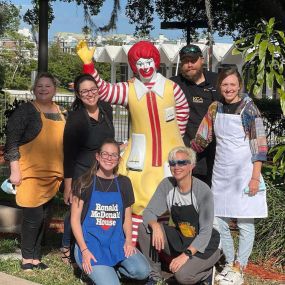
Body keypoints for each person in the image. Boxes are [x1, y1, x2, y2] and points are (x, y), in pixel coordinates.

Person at [76, 40, 189, 242]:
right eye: (139, 63)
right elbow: (103, 90)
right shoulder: (129, 89)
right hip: (140, 157)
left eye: (148, 61)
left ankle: (163, 247)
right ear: (134, 67)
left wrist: (176, 143)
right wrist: (88, 65)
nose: (145, 67)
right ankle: (134, 247)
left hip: (168, 158)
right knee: (137, 200)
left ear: (155, 61)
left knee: (171, 200)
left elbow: (182, 113)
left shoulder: (173, 88)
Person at [191, 68, 268, 285]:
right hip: (221, 174)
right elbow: (202, 139)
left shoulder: (250, 109)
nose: (228, 88)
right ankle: (228, 264)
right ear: (219, 87)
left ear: (239, 86)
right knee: (218, 220)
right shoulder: (215, 108)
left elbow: (259, 147)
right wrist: (184, 153)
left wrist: (255, 178)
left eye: (232, 84)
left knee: (244, 223)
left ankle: (239, 268)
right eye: (224, 85)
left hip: (244, 173)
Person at [4, 72, 66, 271]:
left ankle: (37, 259)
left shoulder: (61, 111)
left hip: (53, 175)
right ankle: (26, 260)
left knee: (44, 218)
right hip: (29, 173)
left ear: (54, 89)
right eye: (39, 86)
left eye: (48, 86)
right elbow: (12, 142)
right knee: (33, 219)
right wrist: (15, 170)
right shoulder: (25, 111)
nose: (43, 89)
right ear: (34, 89)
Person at [70, 139, 150, 285]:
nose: (109, 158)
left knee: (142, 271)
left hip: (116, 243)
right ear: (97, 156)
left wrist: (128, 241)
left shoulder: (124, 183)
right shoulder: (84, 182)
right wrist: (84, 250)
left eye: (113, 155)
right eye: (105, 154)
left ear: (119, 159)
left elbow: (127, 218)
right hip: (90, 245)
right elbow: (74, 220)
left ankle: (112, 270)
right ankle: (93, 273)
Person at [138, 146, 220, 285]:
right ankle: (155, 276)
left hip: (207, 243)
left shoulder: (202, 190)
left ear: (192, 166)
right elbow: (148, 212)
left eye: (182, 162)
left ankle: (207, 273)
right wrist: (155, 225)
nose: (176, 166)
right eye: (173, 163)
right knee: (144, 228)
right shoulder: (167, 185)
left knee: (182, 277)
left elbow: (206, 232)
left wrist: (185, 256)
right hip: (183, 237)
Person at [61, 73, 114, 263]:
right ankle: (67, 246)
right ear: (78, 94)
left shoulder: (107, 109)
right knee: (75, 211)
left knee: (95, 210)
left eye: (93, 89)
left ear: (98, 90)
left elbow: (109, 140)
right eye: (84, 91)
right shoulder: (75, 118)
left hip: (102, 171)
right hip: (80, 171)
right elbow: (68, 154)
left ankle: (91, 243)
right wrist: (68, 185)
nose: (90, 94)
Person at [171, 44, 221, 186]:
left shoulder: (216, 81)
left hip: (213, 153)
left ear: (202, 60)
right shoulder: (173, 83)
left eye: (193, 61)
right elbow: (151, 88)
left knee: (209, 197)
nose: (190, 65)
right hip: (184, 152)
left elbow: (235, 95)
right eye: (186, 61)